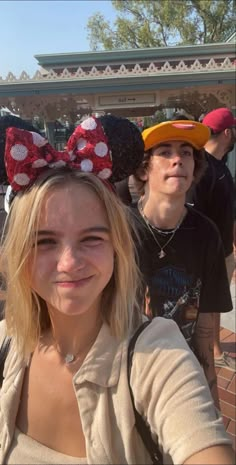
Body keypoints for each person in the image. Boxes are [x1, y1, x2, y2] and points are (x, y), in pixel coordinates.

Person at [0, 117, 234, 464]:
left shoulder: (156, 356)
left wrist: (210, 393)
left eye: (91, 238)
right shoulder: (6, 343)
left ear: (117, 247)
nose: (68, 263)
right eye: (44, 241)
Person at [132, 119, 233, 407]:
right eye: (164, 152)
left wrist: (211, 398)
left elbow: (203, 326)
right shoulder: (119, 230)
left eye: (186, 152)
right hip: (130, 367)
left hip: (182, 370)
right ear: (143, 168)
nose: (178, 159)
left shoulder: (205, 233)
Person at [187, 108, 236, 371]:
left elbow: (228, 212)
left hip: (223, 251)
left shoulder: (220, 166)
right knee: (206, 305)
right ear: (228, 132)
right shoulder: (202, 169)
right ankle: (210, 352)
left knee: (216, 303)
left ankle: (214, 348)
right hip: (209, 255)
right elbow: (194, 217)